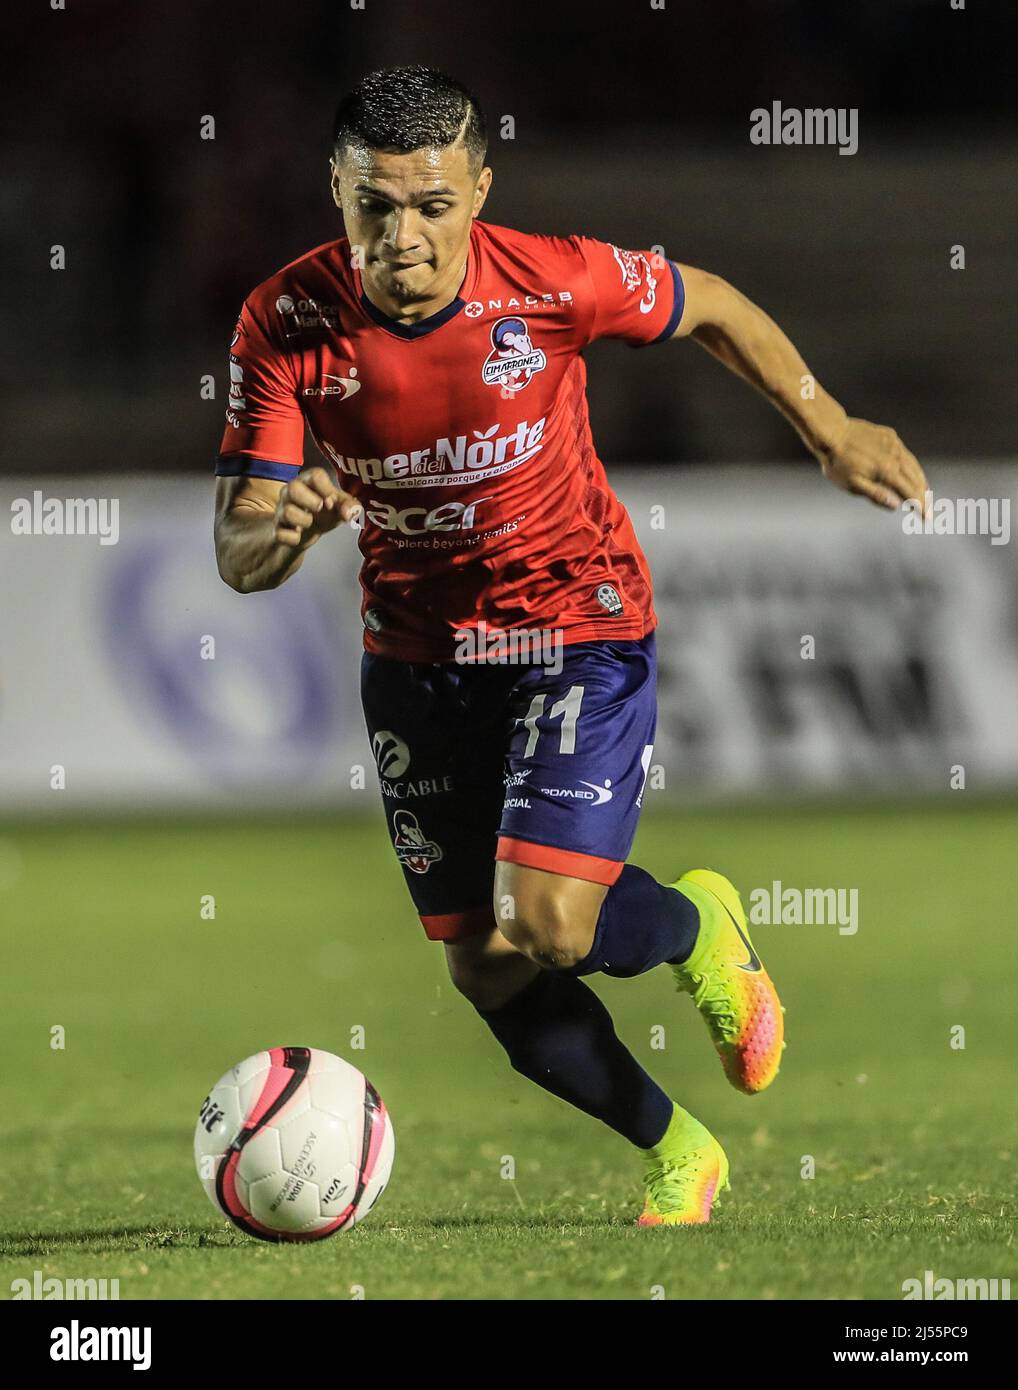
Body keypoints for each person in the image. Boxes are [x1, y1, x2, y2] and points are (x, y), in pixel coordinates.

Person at [213, 65, 928, 1225]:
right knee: (483, 964)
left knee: (546, 924)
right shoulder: (283, 323)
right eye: (375, 206)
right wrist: (278, 535)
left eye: (434, 205)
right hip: (415, 657)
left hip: (573, 624)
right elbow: (237, 542)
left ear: (479, 191)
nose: (404, 236)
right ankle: (679, 1150)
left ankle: (695, 925)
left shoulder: (549, 280)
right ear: (334, 191)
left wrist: (828, 424)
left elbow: (708, 303)